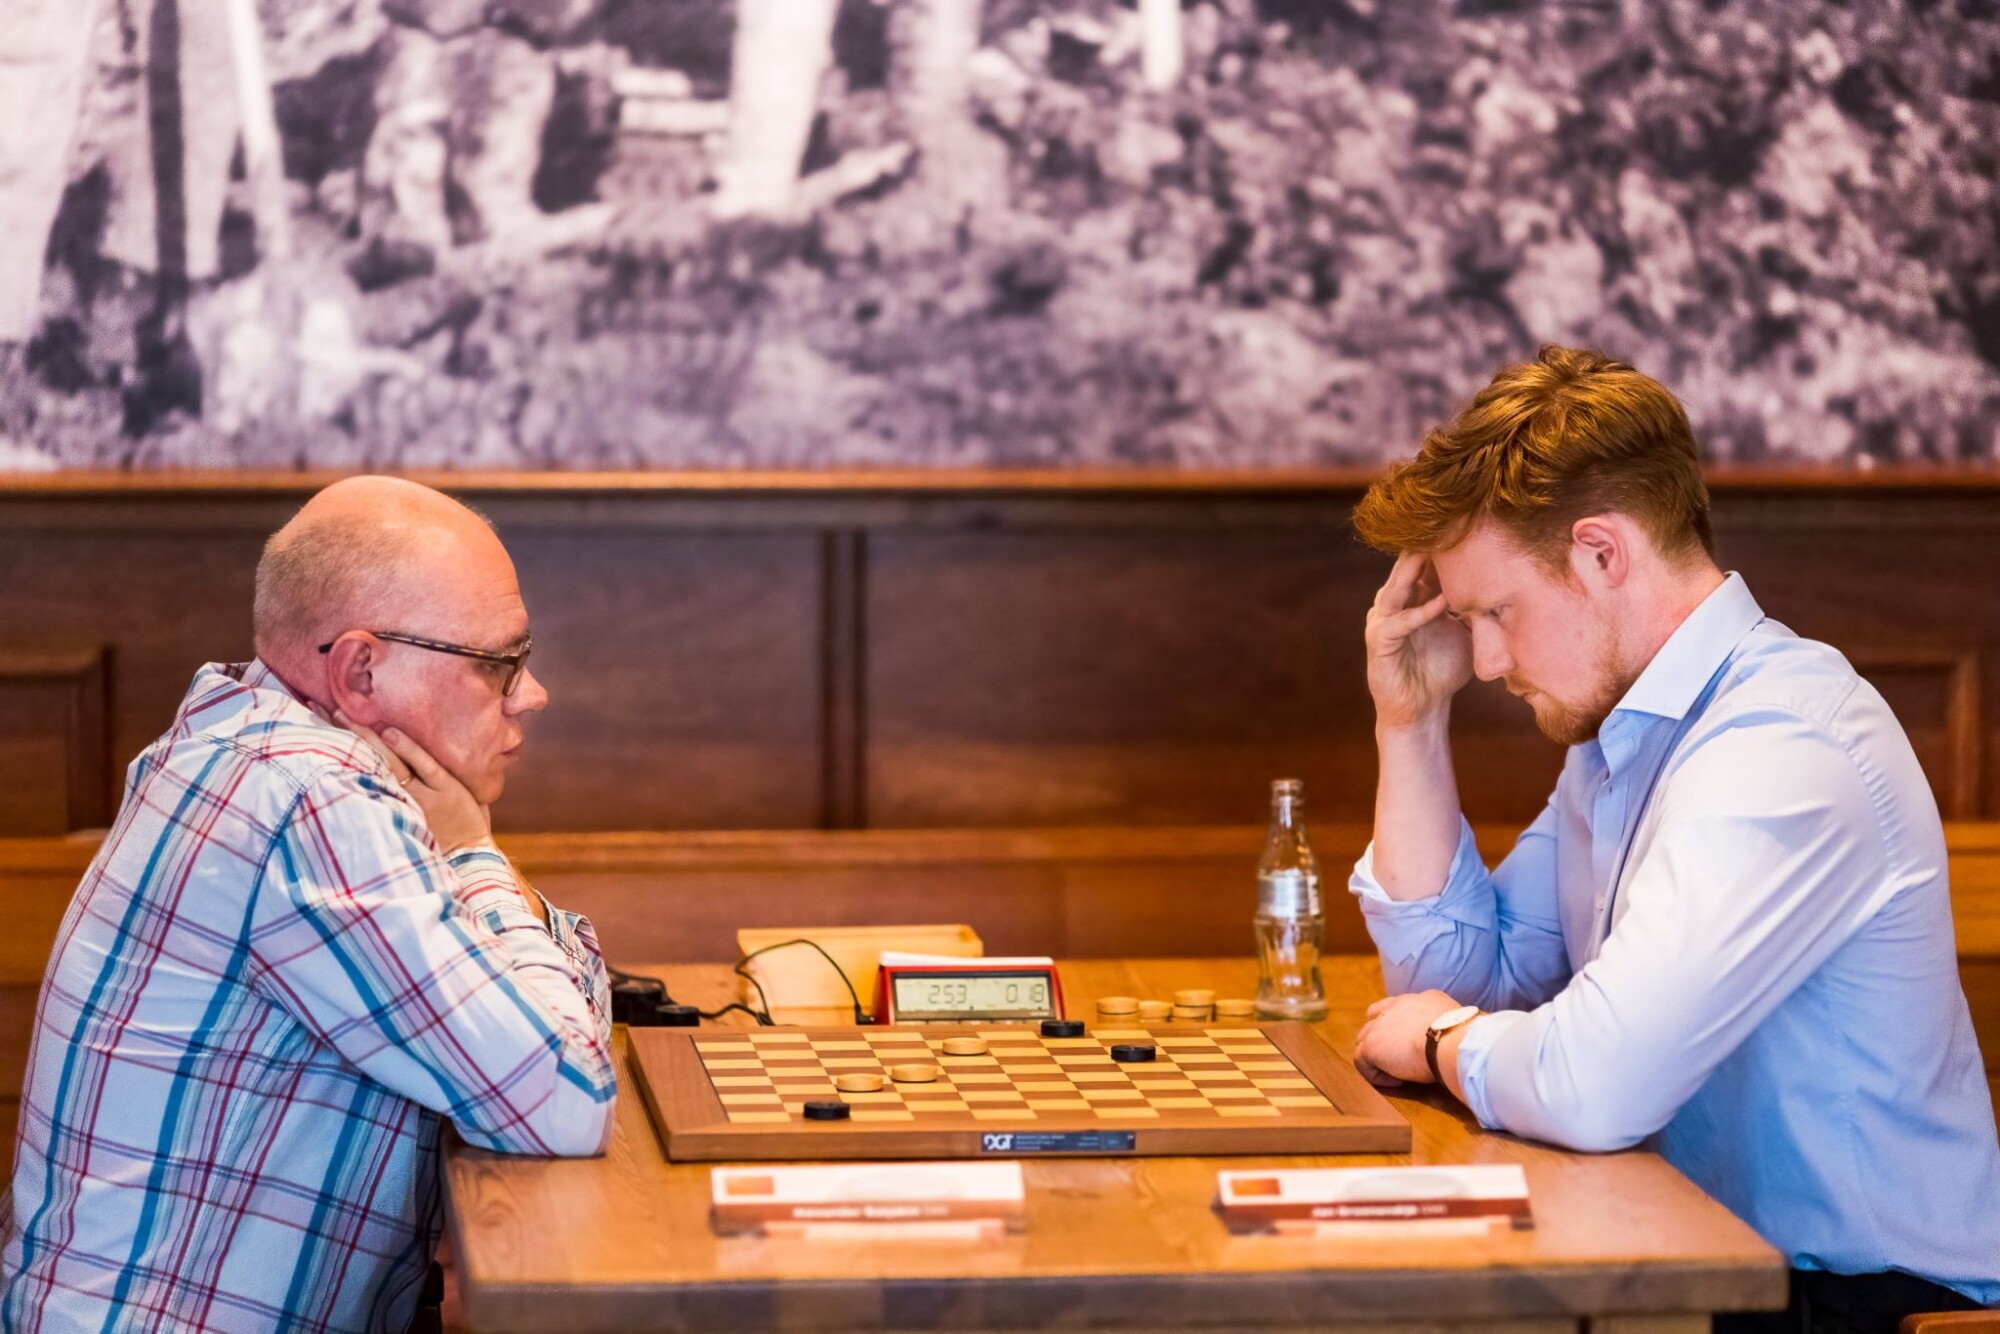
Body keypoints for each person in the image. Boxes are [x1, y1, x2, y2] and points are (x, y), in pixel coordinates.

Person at [1347, 345, 2000, 1331]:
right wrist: (1407, 721)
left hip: (1875, 1304)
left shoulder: (1780, 743)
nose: (1480, 658)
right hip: (1712, 1268)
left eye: (1495, 611)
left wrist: (1439, 1039)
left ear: (1601, 553)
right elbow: (1463, 973)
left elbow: (1583, 1078)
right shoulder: (1628, 737)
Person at [0, 476, 616, 1331]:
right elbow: (567, 1097)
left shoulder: (240, 745)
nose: (530, 694)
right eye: (497, 664)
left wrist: (475, 867)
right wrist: (475, 852)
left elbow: (567, 1045)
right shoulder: (305, 800)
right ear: (361, 670)